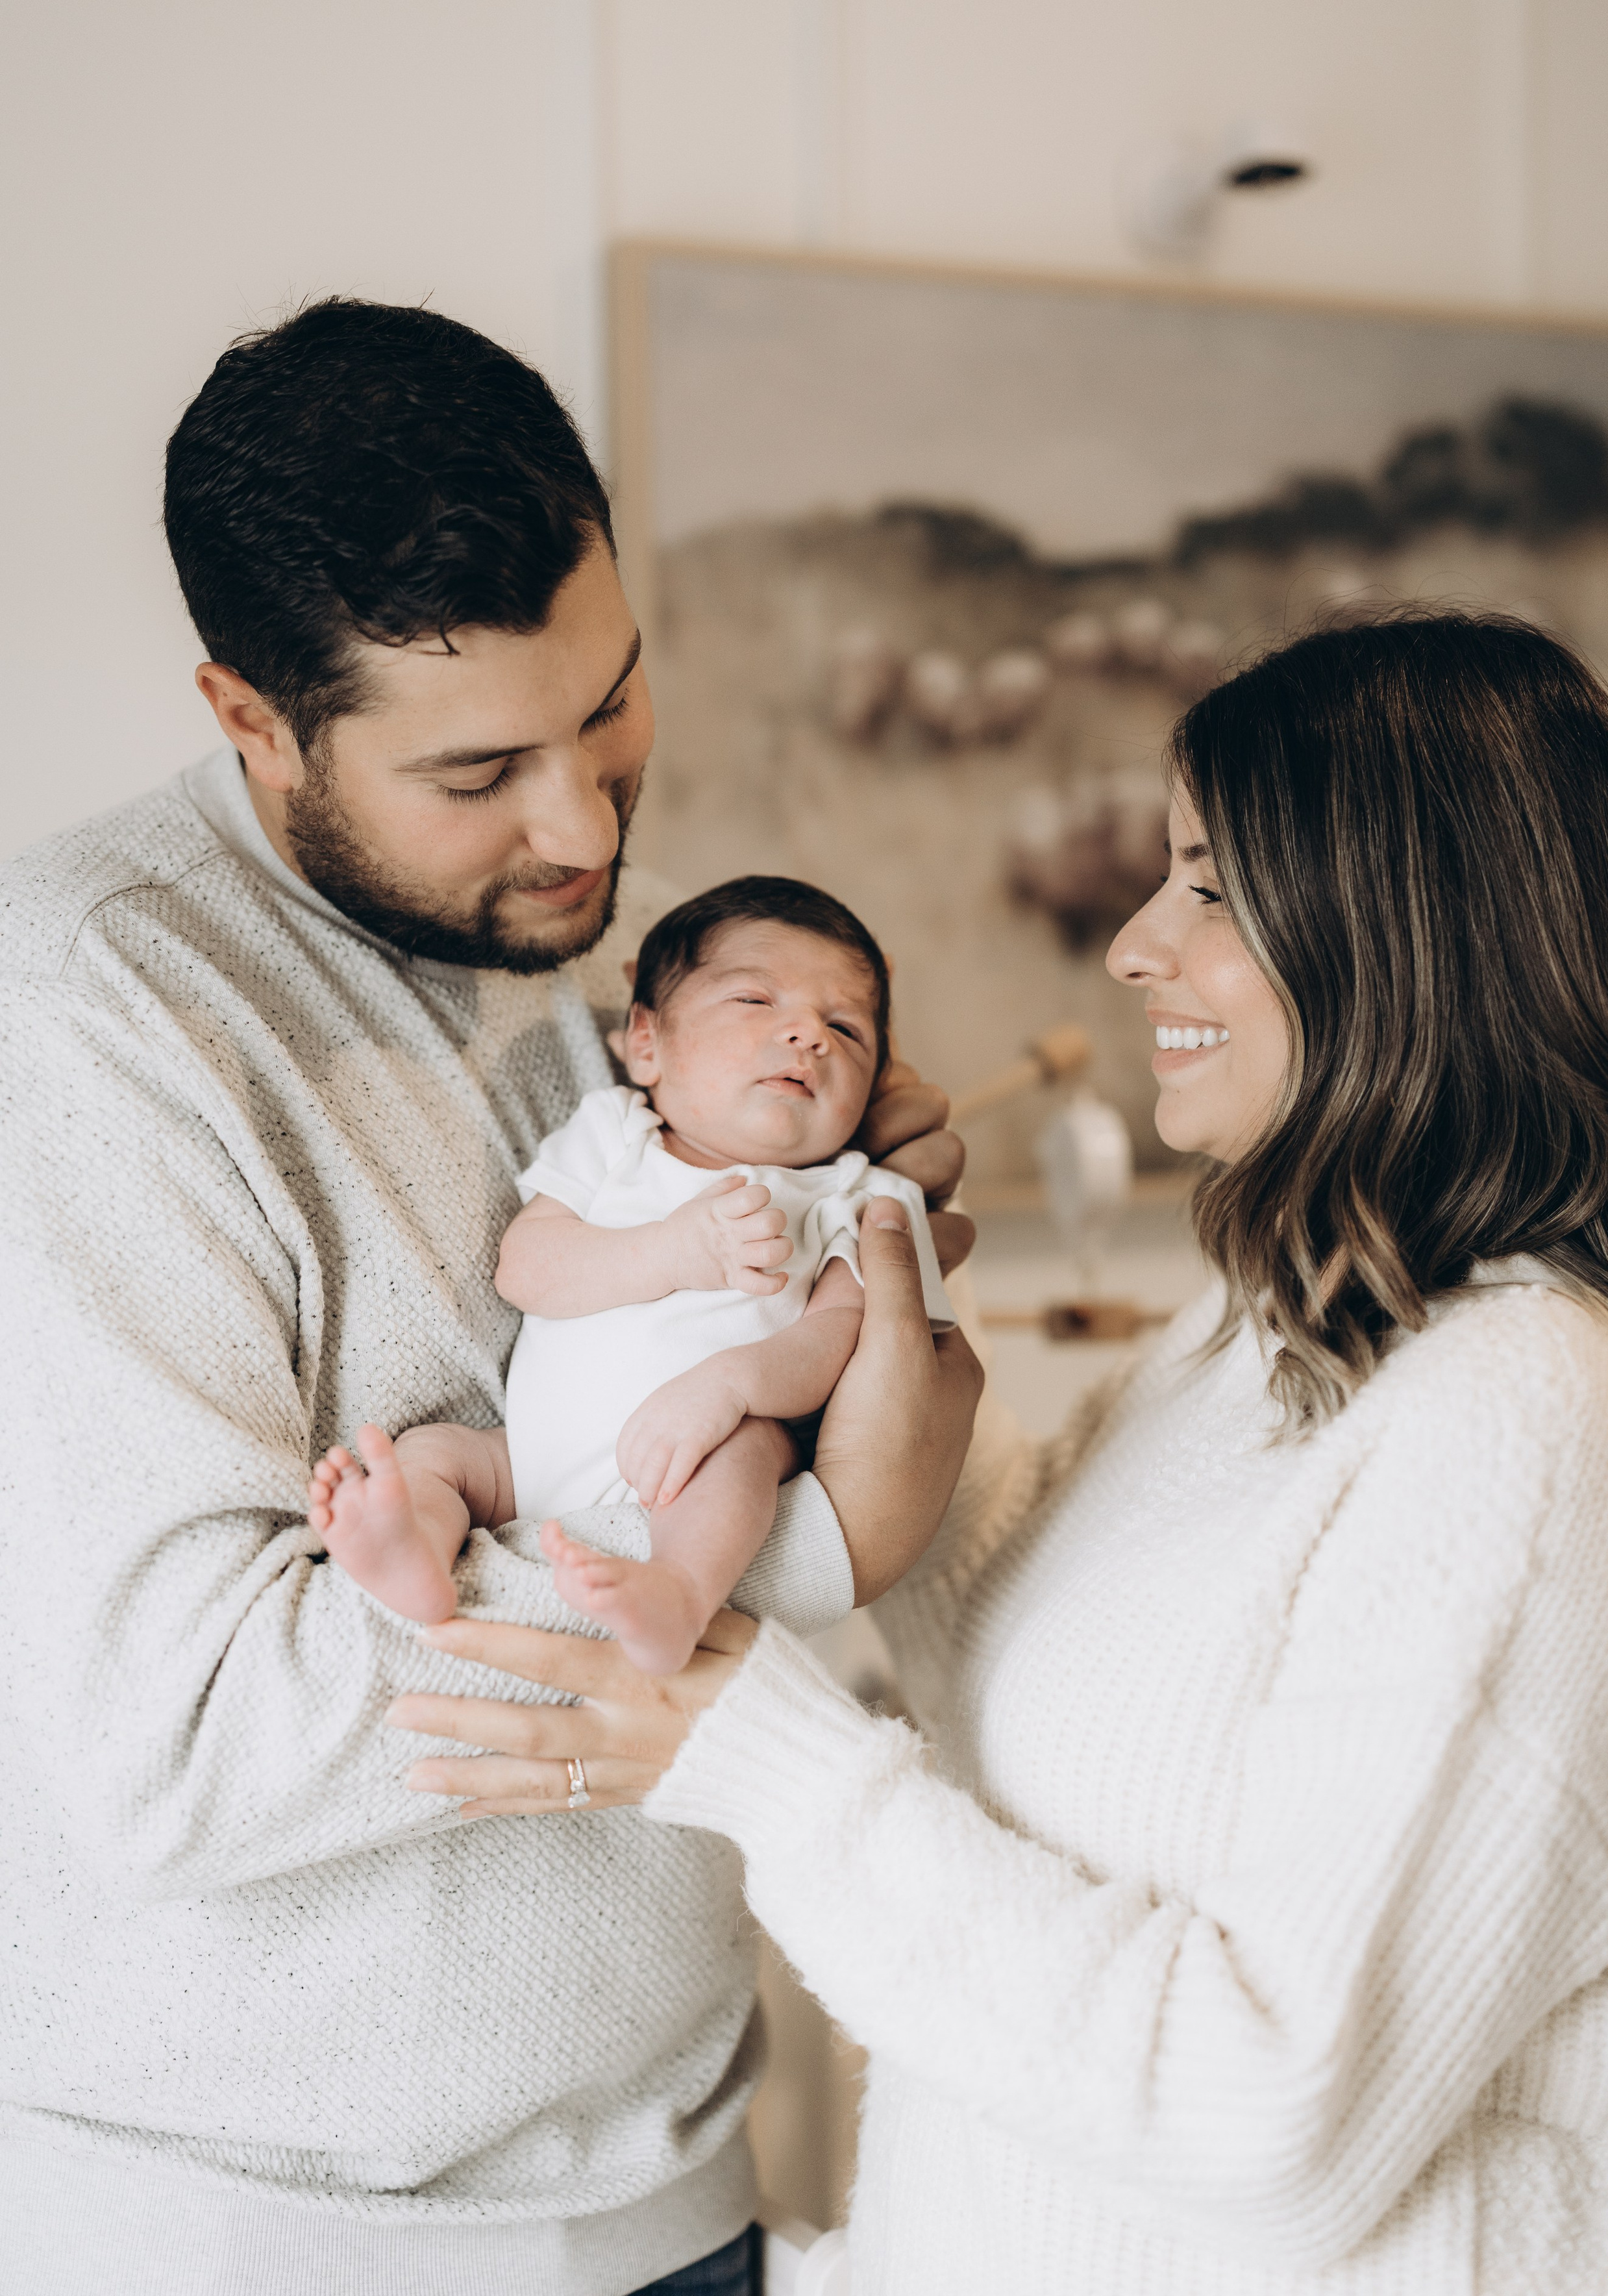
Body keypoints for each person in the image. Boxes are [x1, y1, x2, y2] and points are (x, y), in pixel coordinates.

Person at [400, 615, 1608, 2293]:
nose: (1135, 945)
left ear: (1406, 929)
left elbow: (1263, 2128)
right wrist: (891, 1326)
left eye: (1207, 884)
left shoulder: (1532, 1429)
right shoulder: (1271, 1332)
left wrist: (754, 1755)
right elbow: (1035, 1642)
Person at [0, 298, 978, 2296]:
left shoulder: (602, 953)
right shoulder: (95, 1016)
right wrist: (793, 1549)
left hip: (681, 2183)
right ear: (253, 717)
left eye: (612, 705)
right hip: (267, 2245)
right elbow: (185, 1732)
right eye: (479, 769)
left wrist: (858, 1246)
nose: (589, 825)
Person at [310, 875, 954, 1672]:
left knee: (749, 1454)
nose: (807, 1035)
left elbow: (840, 1338)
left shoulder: (857, 1193)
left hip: (703, 1451)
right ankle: (413, 1552)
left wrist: (731, 1388)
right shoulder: (614, 1134)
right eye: (756, 1001)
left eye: (847, 1029)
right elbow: (527, 1269)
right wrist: (673, 1252)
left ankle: (678, 1590)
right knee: (435, 1456)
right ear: (646, 1043)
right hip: (529, 1456)